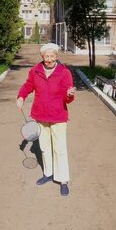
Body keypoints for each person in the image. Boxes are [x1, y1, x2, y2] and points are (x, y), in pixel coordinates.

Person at [17, 43, 76, 196]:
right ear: (42, 57)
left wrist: (69, 94)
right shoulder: (35, 71)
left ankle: (63, 180)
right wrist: (21, 96)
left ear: (56, 56)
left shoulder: (64, 73)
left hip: (58, 116)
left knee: (60, 149)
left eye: (52, 56)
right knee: (44, 146)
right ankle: (48, 173)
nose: (49, 59)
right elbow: (28, 85)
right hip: (40, 115)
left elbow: (67, 97)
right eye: (46, 56)